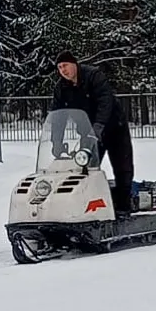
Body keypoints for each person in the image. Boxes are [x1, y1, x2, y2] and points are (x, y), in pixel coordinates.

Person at [49, 50, 135, 215]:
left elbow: (105, 101)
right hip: (88, 133)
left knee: (122, 166)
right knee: (85, 166)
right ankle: (86, 205)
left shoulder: (93, 76)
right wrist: (56, 142)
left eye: (65, 65)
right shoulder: (61, 88)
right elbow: (57, 117)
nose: (63, 70)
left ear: (74, 64)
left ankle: (124, 206)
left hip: (113, 127)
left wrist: (99, 125)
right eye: (59, 67)